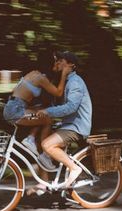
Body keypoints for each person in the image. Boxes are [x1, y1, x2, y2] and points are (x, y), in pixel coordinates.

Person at [3, 51, 73, 183]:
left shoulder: (33, 74)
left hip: (13, 106)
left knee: (42, 111)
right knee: (47, 119)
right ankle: (42, 151)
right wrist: (64, 75)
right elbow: (58, 92)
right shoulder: (41, 78)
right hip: (16, 110)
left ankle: (43, 179)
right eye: (54, 61)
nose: (56, 63)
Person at [37, 51, 92, 188]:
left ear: (71, 65)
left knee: (47, 145)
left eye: (61, 60)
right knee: (41, 144)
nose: (58, 63)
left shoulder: (75, 82)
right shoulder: (68, 81)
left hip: (77, 127)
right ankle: (44, 184)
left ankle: (74, 169)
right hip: (69, 125)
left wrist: (48, 111)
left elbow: (71, 108)